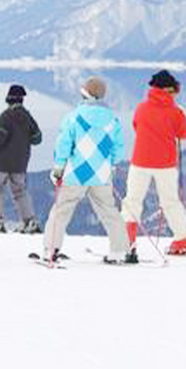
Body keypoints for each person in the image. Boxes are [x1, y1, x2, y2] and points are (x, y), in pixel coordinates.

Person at [44, 77, 129, 264]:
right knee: (109, 212)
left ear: (85, 94)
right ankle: (120, 251)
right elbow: (118, 150)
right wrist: (110, 164)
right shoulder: (112, 120)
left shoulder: (74, 117)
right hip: (102, 174)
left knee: (61, 210)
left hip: (76, 173)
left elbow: (63, 146)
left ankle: (51, 250)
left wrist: (58, 169)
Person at [121, 70, 186, 258]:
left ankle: (127, 241)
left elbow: (136, 126)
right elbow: (184, 133)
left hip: (140, 160)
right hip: (165, 163)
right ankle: (183, 239)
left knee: (132, 200)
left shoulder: (141, 108)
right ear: (169, 89)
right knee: (170, 201)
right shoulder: (175, 111)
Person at [0, 84, 42, 234]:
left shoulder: (4, 117)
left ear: (8, 99)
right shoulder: (28, 118)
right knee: (20, 191)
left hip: (1, 162)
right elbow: (37, 139)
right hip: (20, 162)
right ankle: (29, 221)